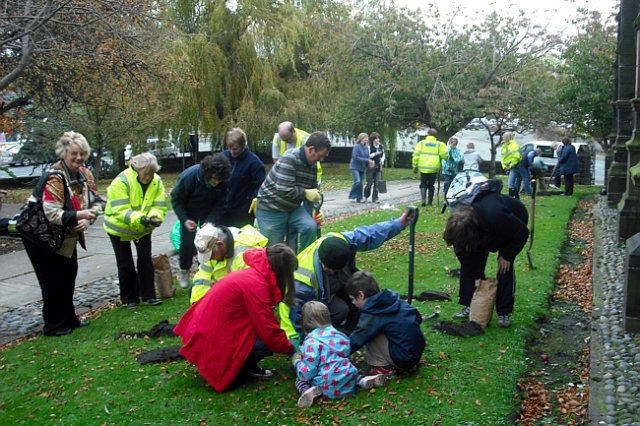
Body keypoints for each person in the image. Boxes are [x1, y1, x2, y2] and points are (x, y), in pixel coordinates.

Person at [173, 244, 298, 392]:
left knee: (262, 336)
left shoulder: (253, 275)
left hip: (205, 329)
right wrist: (291, 350)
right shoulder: (257, 285)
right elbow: (268, 328)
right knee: (264, 343)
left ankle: (241, 365)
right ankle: (238, 369)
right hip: (211, 337)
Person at [279, 208, 417, 340]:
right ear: (322, 262)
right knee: (337, 311)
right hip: (307, 308)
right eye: (331, 270)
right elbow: (292, 317)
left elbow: (370, 234)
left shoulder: (339, 241)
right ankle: (320, 336)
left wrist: (400, 223)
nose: (334, 272)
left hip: (328, 296)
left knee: (345, 306)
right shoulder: (303, 282)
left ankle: (350, 330)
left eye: (338, 269)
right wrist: (300, 349)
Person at [20, 131, 104, 336]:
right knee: (53, 281)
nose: (79, 158)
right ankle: (54, 324)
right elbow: (51, 213)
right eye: (74, 153)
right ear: (64, 153)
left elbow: (98, 201)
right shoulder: (55, 178)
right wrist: (80, 215)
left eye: (82, 153)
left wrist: (87, 218)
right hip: (41, 238)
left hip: (64, 237)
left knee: (68, 276)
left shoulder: (85, 174)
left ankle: (70, 319)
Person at [443, 191, 529, 328]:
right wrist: (475, 274)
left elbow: (523, 232)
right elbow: (464, 256)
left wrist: (507, 255)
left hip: (512, 225)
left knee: (504, 267)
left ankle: (504, 312)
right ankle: (469, 305)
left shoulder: (495, 215)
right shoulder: (459, 226)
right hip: (483, 228)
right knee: (470, 264)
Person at [292, 301, 388, 408]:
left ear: (307, 321)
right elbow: (346, 351)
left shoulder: (311, 342)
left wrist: (297, 363)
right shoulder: (339, 335)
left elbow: (308, 371)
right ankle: (362, 380)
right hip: (347, 380)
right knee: (348, 370)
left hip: (327, 386)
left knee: (300, 379)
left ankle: (308, 390)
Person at [103, 153, 167, 309]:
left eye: (152, 173)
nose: (149, 177)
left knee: (145, 260)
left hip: (143, 228)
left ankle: (148, 296)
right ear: (137, 169)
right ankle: (129, 299)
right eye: (146, 174)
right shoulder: (121, 181)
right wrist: (141, 219)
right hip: (119, 228)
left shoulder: (156, 181)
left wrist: (154, 217)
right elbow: (120, 209)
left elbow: (159, 205)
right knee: (125, 263)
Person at [255, 131, 330, 252]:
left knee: (309, 227)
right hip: (271, 208)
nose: (320, 160)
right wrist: (305, 193)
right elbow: (284, 190)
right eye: (320, 156)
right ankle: (274, 269)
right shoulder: (290, 158)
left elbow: (312, 191)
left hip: (291, 207)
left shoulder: (313, 165)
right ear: (311, 149)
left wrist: (316, 210)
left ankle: (305, 262)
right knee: (274, 249)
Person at [345, 271, 425, 376]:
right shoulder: (392, 300)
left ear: (361, 295)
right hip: (415, 352)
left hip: (403, 358)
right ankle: (406, 363)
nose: (353, 303)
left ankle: (382, 367)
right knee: (380, 328)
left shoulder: (372, 312)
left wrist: (336, 354)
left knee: (369, 332)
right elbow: (417, 317)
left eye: (352, 299)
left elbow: (357, 339)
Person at [171, 154, 232, 289]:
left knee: (209, 242)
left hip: (209, 211)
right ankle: (184, 270)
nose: (216, 183)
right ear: (207, 173)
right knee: (187, 243)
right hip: (189, 210)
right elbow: (176, 200)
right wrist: (185, 220)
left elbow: (222, 203)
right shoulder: (189, 177)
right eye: (215, 179)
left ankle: (203, 271)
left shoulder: (223, 181)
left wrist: (210, 221)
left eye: (219, 180)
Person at [189, 222, 268, 304]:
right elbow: (202, 277)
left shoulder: (244, 256)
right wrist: (198, 303)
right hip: (224, 294)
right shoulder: (215, 243)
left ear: (220, 245)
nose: (209, 258)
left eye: (210, 255)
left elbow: (251, 293)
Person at [220, 128, 265, 228]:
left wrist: (255, 198)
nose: (232, 152)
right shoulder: (223, 157)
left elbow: (259, 185)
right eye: (230, 148)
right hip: (223, 209)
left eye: (235, 149)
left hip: (242, 212)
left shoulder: (254, 163)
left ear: (243, 145)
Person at [412, 128, 448, 206]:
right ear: (436, 136)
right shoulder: (439, 144)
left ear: (428, 135)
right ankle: (430, 202)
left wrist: (415, 166)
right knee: (431, 185)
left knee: (423, 183)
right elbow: (445, 156)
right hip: (433, 168)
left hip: (423, 167)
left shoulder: (421, 143)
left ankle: (423, 200)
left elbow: (416, 155)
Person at [348, 133, 373, 203]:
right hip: (355, 167)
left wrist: (370, 162)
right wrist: (367, 160)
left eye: (367, 138)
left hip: (362, 168)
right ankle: (352, 196)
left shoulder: (366, 148)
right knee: (357, 181)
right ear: (361, 138)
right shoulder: (357, 147)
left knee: (361, 183)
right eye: (366, 138)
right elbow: (355, 157)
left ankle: (359, 198)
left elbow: (367, 157)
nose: (367, 139)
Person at [363, 132, 385, 203]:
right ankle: (366, 196)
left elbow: (383, 155)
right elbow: (367, 156)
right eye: (376, 138)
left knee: (377, 183)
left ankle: (375, 198)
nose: (378, 140)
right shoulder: (369, 147)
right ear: (373, 140)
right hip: (370, 167)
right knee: (369, 183)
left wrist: (382, 160)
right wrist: (376, 153)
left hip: (378, 167)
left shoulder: (381, 146)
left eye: (378, 138)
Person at [500, 132, 522, 199]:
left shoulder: (513, 145)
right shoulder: (506, 145)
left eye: (503, 137)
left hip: (514, 166)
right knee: (511, 184)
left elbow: (516, 157)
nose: (502, 138)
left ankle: (511, 198)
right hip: (510, 166)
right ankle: (515, 198)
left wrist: (511, 165)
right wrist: (505, 166)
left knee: (510, 184)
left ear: (506, 137)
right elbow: (504, 158)